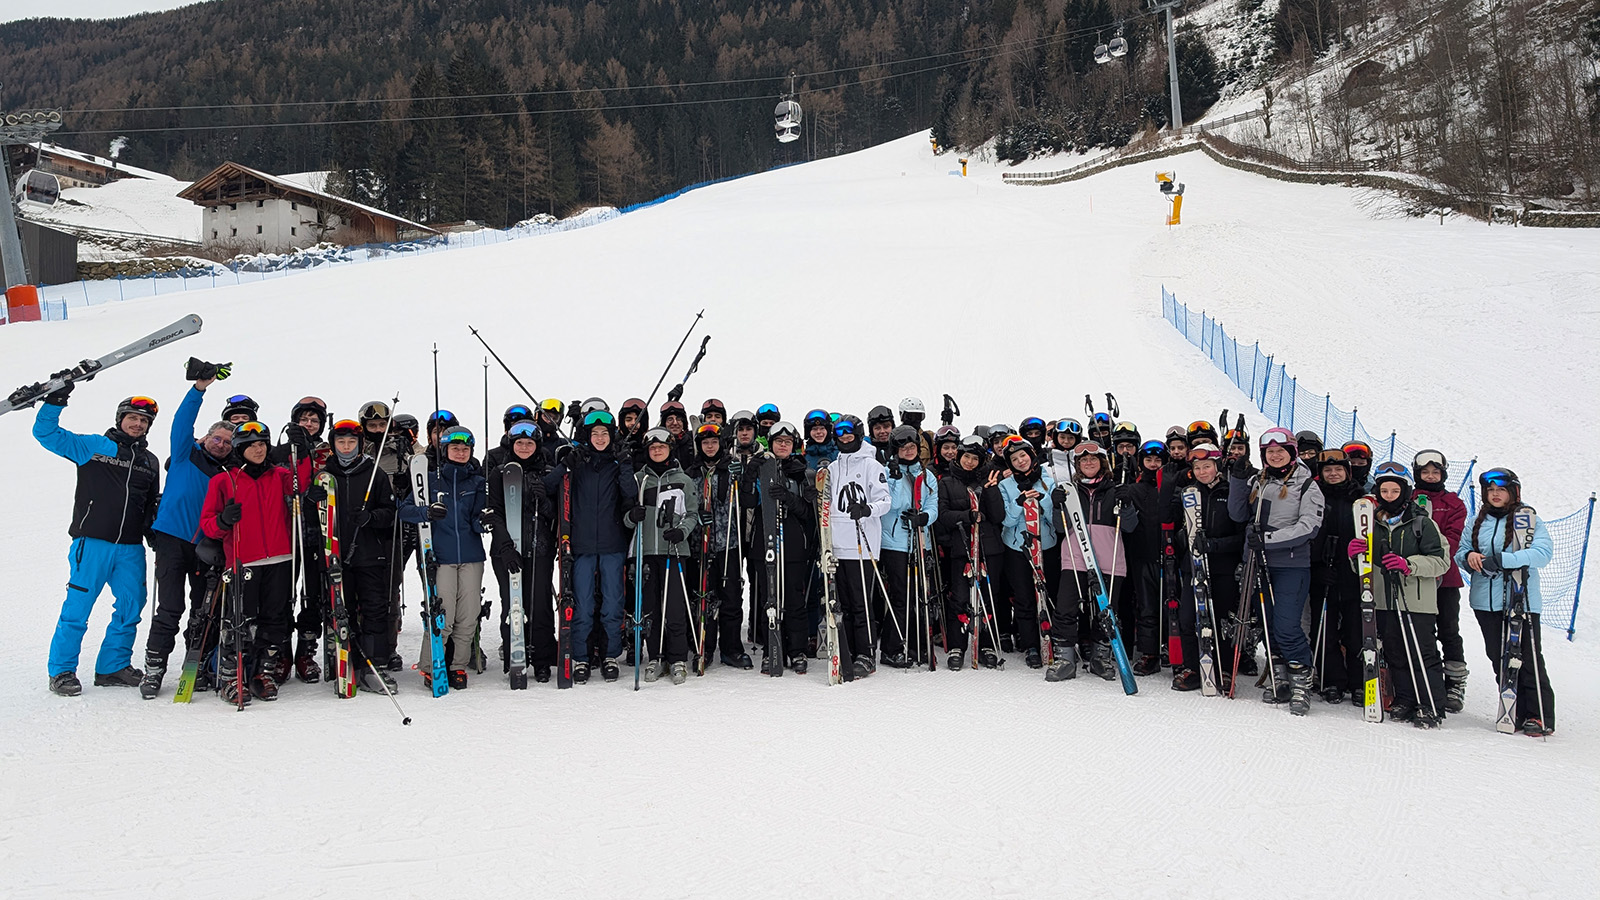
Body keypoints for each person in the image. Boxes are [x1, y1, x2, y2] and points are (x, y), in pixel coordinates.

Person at [35, 387, 162, 696]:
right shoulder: (95, 447)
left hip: (130, 548)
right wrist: (55, 402)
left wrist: (154, 533)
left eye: (144, 421)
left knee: (132, 606)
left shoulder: (149, 461)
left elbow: (148, 506)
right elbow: (47, 434)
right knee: (78, 607)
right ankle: (62, 670)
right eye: (132, 418)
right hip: (92, 543)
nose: (138, 425)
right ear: (120, 419)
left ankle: (112, 667)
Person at [139, 365, 234, 699]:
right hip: (171, 539)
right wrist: (199, 389)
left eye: (227, 441)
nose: (221, 444)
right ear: (205, 438)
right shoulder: (184, 454)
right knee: (169, 607)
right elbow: (182, 422)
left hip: (206, 545)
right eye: (216, 438)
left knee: (203, 608)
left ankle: (198, 663)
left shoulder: (227, 473)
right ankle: (154, 669)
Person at [1227, 427, 1325, 715]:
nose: (1275, 455)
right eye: (1270, 452)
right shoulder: (1260, 480)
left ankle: (1301, 682)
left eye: (1280, 451)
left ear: (1292, 453)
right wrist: (1237, 478)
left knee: (1287, 625)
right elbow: (1238, 514)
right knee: (1269, 624)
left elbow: (1309, 527)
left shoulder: (1307, 486)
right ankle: (1279, 675)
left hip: (1290, 564)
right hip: (1258, 563)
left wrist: (1267, 541)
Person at [1344, 463, 1450, 728]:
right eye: (1385, 490)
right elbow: (1363, 568)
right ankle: (1405, 698)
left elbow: (1441, 561)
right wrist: (1354, 555)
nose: (1390, 495)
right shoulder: (1372, 523)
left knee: (1422, 653)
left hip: (1416, 601)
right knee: (1395, 653)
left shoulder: (1422, 523)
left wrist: (1409, 564)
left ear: (1405, 492)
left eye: (1395, 490)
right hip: (1383, 599)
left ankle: (1430, 704)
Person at [200, 421, 297, 704]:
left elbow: (301, 482)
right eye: (251, 445)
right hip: (244, 559)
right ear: (240, 449)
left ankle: (262, 672)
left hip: (280, 556)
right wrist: (222, 521)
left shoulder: (279, 475)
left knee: (275, 619)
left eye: (262, 444)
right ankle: (232, 675)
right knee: (239, 620)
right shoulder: (223, 480)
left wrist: (299, 450)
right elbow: (207, 524)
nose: (258, 449)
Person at [1458, 467, 1556, 736]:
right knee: (1497, 657)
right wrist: (1469, 558)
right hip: (1484, 600)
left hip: (1520, 600)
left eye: (1500, 490)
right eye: (1490, 490)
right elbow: (1461, 551)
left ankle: (1538, 715)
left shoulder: (1528, 518)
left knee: (1527, 658)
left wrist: (1505, 559)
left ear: (1513, 492)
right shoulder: (1478, 521)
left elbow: (1542, 554)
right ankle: (1515, 709)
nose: (1495, 494)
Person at [546, 410, 638, 683]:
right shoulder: (577, 462)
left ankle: (610, 655)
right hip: (581, 545)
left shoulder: (616, 462)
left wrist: (624, 464)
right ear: (588, 435)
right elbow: (550, 486)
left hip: (612, 543)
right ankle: (581, 657)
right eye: (595, 433)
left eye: (605, 433)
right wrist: (566, 465)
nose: (600, 438)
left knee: (612, 603)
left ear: (612, 436)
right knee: (583, 604)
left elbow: (630, 494)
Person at [398, 426, 487, 689]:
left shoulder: (477, 482)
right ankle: (431, 665)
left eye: (465, 449)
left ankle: (458, 666)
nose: (460, 453)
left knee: (469, 615)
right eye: (455, 448)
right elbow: (403, 510)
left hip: (472, 556)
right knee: (442, 616)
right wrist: (426, 513)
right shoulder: (429, 479)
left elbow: (477, 521)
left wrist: (485, 521)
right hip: (441, 557)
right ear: (445, 450)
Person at [316, 418, 400, 694]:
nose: (347, 446)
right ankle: (347, 661)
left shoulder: (373, 473)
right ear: (333, 445)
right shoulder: (324, 475)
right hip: (336, 555)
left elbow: (390, 515)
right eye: (341, 442)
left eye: (352, 441)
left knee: (375, 610)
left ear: (360, 444)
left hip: (369, 555)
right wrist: (309, 500)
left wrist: (371, 517)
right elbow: (312, 518)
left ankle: (374, 664)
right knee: (342, 610)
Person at [1163, 443, 1244, 692]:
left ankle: (1224, 668)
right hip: (1193, 566)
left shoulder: (1230, 492)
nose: (1201, 471)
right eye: (1197, 467)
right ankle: (1193, 667)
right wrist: (1182, 538)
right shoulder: (1188, 493)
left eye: (1206, 466)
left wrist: (1213, 545)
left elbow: (1240, 537)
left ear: (1217, 467)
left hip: (1222, 567)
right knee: (1189, 618)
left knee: (1220, 620)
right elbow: (1172, 525)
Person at [1049, 441, 1132, 681]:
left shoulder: (1115, 490)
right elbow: (1059, 527)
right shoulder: (1069, 491)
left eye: (1093, 460)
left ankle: (1100, 656)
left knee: (1107, 610)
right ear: (1077, 465)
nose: (1088, 463)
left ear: (1102, 463)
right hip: (1075, 556)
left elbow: (1130, 526)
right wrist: (1057, 506)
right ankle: (1065, 658)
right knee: (1066, 608)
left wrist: (1126, 504)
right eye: (1083, 460)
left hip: (1110, 556)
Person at [484, 420, 557, 684]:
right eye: (519, 443)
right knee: (514, 602)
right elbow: (494, 513)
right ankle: (516, 655)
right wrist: (505, 547)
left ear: (537, 445)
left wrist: (545, 500)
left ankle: (542, 659)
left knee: (540, 605)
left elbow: (557, 514)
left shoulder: (547, 472)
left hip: (541, 546)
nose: (524, 447)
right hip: (507, 549)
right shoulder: (499, 473)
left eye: (529, 443)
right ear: (511, 445)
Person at [629, 428, 700, 684]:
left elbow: (693, 514)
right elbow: (624, 518)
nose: (657, 451)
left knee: (675, 607)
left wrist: (682, 532)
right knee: (650, 608)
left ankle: (678, 657)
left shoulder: (684, 480)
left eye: (662, 447)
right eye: (652, 448)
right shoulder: (639, 480)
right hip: (646, 551)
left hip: (674, 551)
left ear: (670, 449)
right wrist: (631, 517)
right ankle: (656, 657)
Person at [683, 422, 754, 669]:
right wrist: (698, 516)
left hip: (728, 545)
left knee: (731, 599)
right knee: (703, 599)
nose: (710, 447)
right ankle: (704, 647)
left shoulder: (731, 469)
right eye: (705, 443)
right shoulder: (691, 473)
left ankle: (732, 649)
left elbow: (747, 499)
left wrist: (741, 475)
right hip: (699, 546)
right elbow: (686, 506)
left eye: (714, 442)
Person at [825, 415, 891, 677]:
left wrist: (867, 509)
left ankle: (866, 653)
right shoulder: (832, 467)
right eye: (839, 433)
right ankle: (848, 649)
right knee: (843, 605)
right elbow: (826, 503)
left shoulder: (872, 465)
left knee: (861, 603)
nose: (844, 437)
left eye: (849, 432)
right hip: (836, 545)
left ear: (859, 433)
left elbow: (885, 501)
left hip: (861, 545)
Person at [989, 437, 1059, 672]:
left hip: (1046, 545)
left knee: (1050, 593)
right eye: (1014, 459)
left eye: (1023, 456)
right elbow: (1006, 520)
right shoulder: (1005, 485)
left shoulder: (1047, 481)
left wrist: (1044, 501)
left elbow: (1055, 520)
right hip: (1018, 546)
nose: (1020, 461)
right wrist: (1020, 503)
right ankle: (1030, 645)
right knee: (1024, 597)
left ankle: (1054, 639)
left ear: (1031, 455)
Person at [752, 421, 815, 673]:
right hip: (764, 543)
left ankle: (797, 649)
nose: (782, 446)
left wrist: (789, 498)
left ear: (794, 445)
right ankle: (771, 649)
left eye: (787, 442)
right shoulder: (760, 468)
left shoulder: (802, 472)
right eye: (778, 442)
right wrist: (749, 476)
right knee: (769, 599)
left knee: (794, 599)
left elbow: (808, 513)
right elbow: (747, 501)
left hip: (793, 545)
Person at [936, 434, 1001, 669]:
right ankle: (957, 645)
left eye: (974, 458)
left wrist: (991, 491)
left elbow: (998, 516)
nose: (970, 462)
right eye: (966, 457)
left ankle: (986, 644)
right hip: (961, 547)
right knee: (960, 598)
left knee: (987, 598)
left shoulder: (988, 480)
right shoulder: (947, 482)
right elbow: (942, 515)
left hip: (988, 546)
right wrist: (966, 516)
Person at [878, 425, 939, 668]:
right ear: (896, 450)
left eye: (912, 447)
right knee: (901, 597)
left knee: (919, 597)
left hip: (919, 542)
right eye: (904, 448)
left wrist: (924, 517)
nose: (909, 451)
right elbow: (889, 505)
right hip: (895, 543)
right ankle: (891, 648)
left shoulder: (927, 475)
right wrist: (893, 479)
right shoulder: (887, 472)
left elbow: (933, 503)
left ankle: (916, 645)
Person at [1412, 449, 1470, 712]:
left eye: (1436, 472)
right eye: (1425, 472)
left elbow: (1453, 538)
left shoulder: (1453, 503)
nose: (1431, 476)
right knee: (1420, 630)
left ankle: (1455, 682)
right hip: (1412, 575)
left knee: (1448, 629)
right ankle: (1425, 677)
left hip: (1444, 578)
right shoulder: (1408, 496)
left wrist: (1434, 559)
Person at [1307, 448, 1363, 704]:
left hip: (1354, 572)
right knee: (1325, 629)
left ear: (1347, 471)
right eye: (1327, 470)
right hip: (1324, 571)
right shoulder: (1314, 496)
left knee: (1355, 630)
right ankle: (1331, 680)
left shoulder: (1360, 497)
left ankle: (1359, 680)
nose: (1332, 474)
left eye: (1338, 469)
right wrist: (1318, 566)